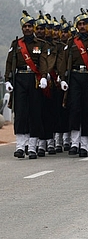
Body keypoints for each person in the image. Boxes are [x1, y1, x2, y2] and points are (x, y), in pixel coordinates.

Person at [4, 11, 51, 159]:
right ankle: (20, 146)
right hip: (20, 79)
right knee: (21, 112)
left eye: (30, 26)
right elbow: (10, 63)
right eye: (25, 26)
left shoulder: (41, 44)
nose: (28, 29)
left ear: (34, 28)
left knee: (34, 112)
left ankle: (32, 147)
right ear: (22, 28)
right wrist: (7, 80)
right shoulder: (16, 44)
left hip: (34, 80)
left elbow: (43, 61)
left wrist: (43, 76)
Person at [59, 12, 88, 157]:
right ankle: (74, 143)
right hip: (74, 77)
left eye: (84, 24)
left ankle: (85, 145)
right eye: (79, 24)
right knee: (75, 109)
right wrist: (62, 78)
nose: (82, 27)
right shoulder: (71, 42)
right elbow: (63, 61)